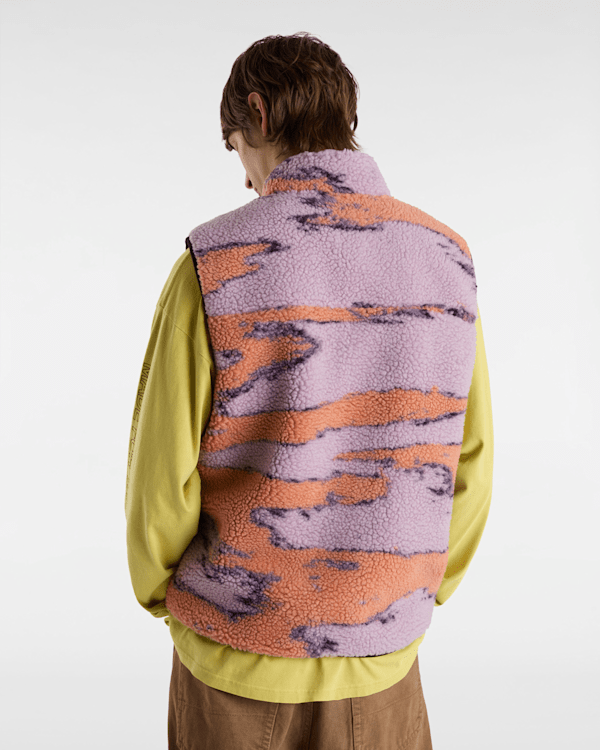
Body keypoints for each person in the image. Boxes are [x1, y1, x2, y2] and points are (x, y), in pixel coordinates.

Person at [124, 32, 494, 750]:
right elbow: (469, 458)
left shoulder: (214, 264)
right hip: (383, 666)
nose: (245, 181)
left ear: (259, 114)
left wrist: (164, 594)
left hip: (234, 662)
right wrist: (408, 591)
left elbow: (162, 475)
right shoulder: (447, 259)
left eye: (236, 149)